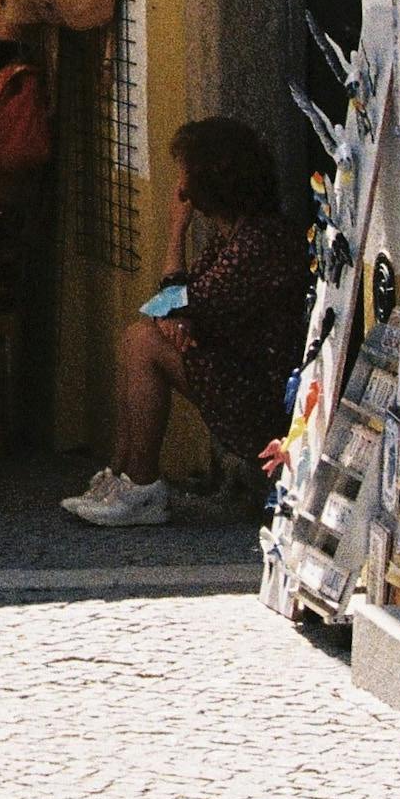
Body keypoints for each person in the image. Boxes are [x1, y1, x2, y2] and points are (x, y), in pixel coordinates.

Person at [65, 116, 312, 528]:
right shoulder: (234, 234)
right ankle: (123, 475)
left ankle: (142, 487)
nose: (179, 187)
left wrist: (176, 231)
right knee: (137, 337)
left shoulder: (259, 242)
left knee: (144, 344)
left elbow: (178, 300)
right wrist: (175, 318)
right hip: (237, 373)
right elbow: (176, 303)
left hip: (260, 396)